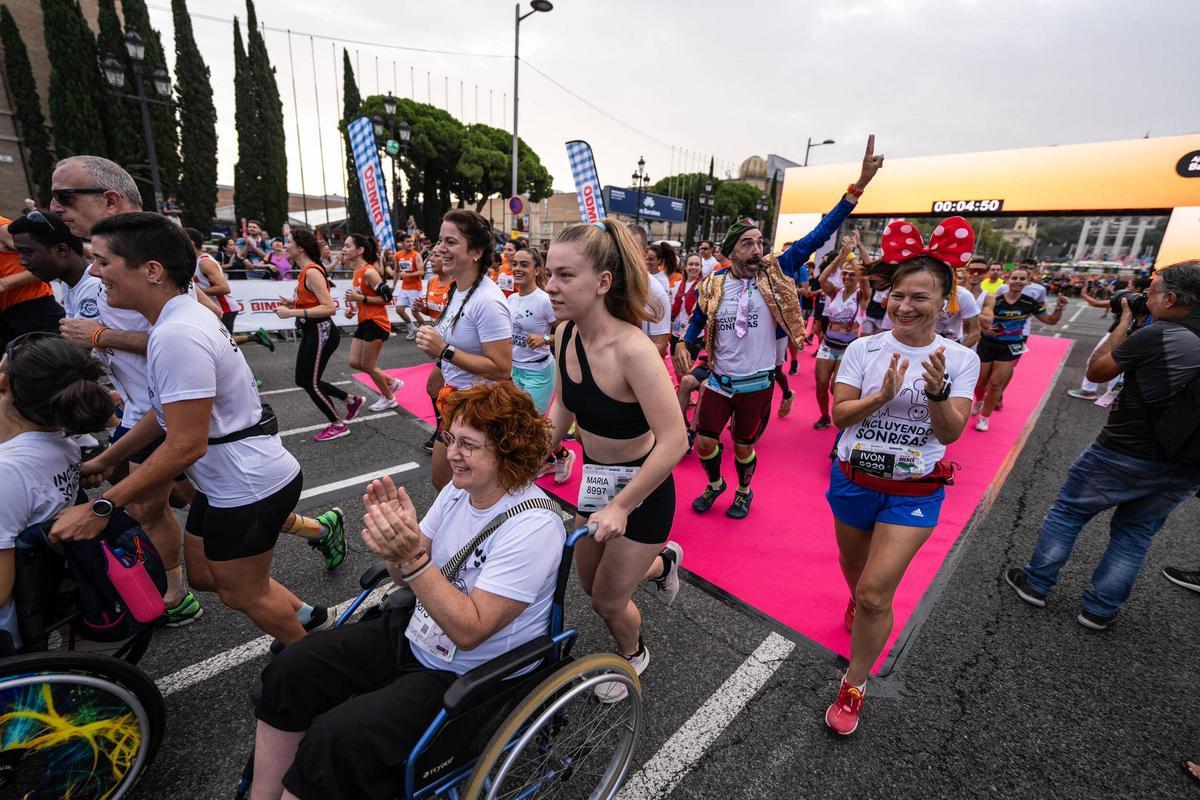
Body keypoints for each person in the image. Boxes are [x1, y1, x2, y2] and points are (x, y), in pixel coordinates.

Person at [250, 383, 566, 800]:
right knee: (291, 669)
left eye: (468, 444)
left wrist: (414, 558)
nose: (451, 452)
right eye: (450, 437)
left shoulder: (535, 527)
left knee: (337, 739)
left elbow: (471, 629)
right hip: (418, 631)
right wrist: (396, 545)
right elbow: (405, 578)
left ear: (507, 450)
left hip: (470, 672)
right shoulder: (459, 490)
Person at [50, 213, 333, 643]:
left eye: (104, 262)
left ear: (152, 271)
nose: (93, 271)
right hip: (231, 482)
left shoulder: (176, 334)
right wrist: (110, 457)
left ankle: (317, 667)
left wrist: (101, 507)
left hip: (249, 485)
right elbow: (164, 414)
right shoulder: (175, 320)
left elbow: (185, 445)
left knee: (242, 592)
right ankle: (306, 615)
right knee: (203, 575)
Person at [824, 219, 981, 736]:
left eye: (920, 297)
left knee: (874, 595)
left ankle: (854, 682)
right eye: (897, 295)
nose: (905, 306)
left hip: (913, 491)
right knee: (853, 571)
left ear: (946, 301)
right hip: (852, 479)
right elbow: (840, 413)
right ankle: (859, 599)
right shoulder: (862, 349)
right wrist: (878, 397)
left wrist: (937, 395)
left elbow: (953, 432)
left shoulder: (959, 359)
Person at [50, 154, 220, 624]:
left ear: (109, 198)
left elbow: (196, 325)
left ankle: (178, 593)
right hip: (147, 408)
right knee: (188, 498)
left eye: (65, 196)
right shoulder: (112, 261)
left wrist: (101, 338)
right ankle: (303, 527)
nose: (56, 207)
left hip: (165, 411)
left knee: (164, 507)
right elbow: (206, 316)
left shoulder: (148, 257)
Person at [677, 136, 885, 519]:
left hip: (756, 382)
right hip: (720, 380)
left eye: (759, 242)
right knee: (706, 442)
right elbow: (699, 318)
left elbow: (820, 233)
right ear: (730, 252)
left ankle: (742, 490)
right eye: (747, 244)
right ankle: (714, 484)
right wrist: (686, 342)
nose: (757, 249)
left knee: (741, 447)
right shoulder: (713, 284)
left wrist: (859, 186)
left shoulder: (779, 269)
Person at [1005, 261, 1200, 631]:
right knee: (1135, 534)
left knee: (1069, 512)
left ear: (1172, 298)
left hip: (1126, 450)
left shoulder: (1161, 335)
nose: (1146, 297)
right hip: (1187, 461)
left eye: (1153, 291)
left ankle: (1037, 582)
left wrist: (1126, 322)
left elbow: (1096, 371)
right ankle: (1100, 609)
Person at [546, 217, 688, 703]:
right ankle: (664, 562)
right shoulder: (564, 335)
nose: (550, 286)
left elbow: (675, 442)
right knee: (589, 581)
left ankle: (633, 655)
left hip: (642, 492)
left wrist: (623, 506)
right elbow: (562, 409)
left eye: (565, 275)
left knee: (608, 599)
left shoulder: (635, 350)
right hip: (597, 483)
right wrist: (525, 457)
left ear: (603, 282)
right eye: (550, 274)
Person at [0, 333, 115, 652]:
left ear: (3, 383)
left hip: (10, 632)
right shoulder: (65, 445)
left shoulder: (7, 473)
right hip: (44, 595)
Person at [414, 210, 512, 490]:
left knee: (464, 486)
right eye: (440, 240)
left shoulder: (488, 301)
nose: (440, 249)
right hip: (455, 403)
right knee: (443, 482)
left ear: (476, 251)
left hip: (479, 409)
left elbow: (503, 368)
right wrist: (439, 365)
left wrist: (444, 351)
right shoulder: (456, 289)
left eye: (451, 242)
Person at [275, 230, 364, 441]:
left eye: (288, 242)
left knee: (311, 382)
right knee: (303, 379)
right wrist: (293, 303)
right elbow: (312, 301)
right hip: (312, 330)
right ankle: (351, 400)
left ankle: (338, 424)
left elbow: (330, 308)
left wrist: (292, 312)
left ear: (301, 247)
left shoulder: (313, 272)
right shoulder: (305, 271)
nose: (285, 246)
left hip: (321, 331)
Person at [972, 266, 1067, 431]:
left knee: (995, 384)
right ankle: (979, 400)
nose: (1017, 281)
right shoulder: (995, 300)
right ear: (1008, 280)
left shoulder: (1030, 303)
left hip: (1011, 346)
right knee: (980, 381)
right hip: (987, 344)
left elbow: (1050, 321)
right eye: (1014, 278)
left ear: (1028, 282)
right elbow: (978, 320)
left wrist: (1059, 308)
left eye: (1022, 279)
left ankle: (984, 418)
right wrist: (985, 328)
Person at [187, 227, 276, 352]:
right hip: (213, 308)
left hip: (225, 308)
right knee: (218, 342)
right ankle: (256, 337)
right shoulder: (193, 261)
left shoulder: (205, 263)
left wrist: (195, 291)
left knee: (223, 344)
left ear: (191, 243)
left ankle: (254, 340)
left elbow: (224, 288)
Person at [813, 237, 869, 430]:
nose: (847, 277)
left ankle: (844, 418)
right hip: (828, 344)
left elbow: (863, 276)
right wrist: (839, 257)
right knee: (821, 384)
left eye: (851, 275)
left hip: (848, 348)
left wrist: (852, 254)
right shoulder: (835, 292)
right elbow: (822, 279)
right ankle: (824, 416)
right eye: (844, 274)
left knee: (835, 388)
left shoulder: (862, 295)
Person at [341, 234, 402, 413]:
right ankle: (391, 382)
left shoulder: (369, 271)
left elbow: (387, 298)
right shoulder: (356, 272)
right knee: (354, 362)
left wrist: (361, 298)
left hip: (377, 322)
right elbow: (362, 300)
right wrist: (353, 309)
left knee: (367, 365)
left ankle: (389, 399)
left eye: (347, 245)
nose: (343, 249)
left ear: (359, 250)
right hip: (364, 321)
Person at [0, 214, 65, 350]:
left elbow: (50, 262)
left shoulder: (2, 229)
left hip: (34, 307)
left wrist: (5, 283)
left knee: (57, 363)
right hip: (6, 317)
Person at [390, 233, 426, 340]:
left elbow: (421, 272)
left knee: (415, 312)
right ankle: (412, 328)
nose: (411, 243)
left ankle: (425, 330)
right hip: (405, 288)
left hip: (415, 288)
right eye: (408, 242)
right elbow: (397, 271)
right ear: (402, 243)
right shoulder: (397, 255)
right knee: (399, 309)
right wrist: (393, 285)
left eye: (411, 241)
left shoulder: (416, 255)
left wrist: (408, 275)